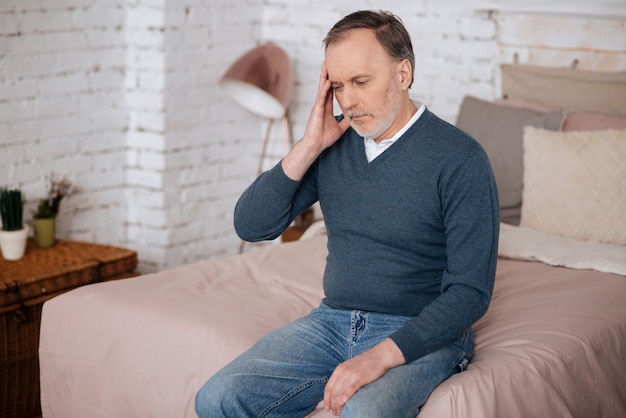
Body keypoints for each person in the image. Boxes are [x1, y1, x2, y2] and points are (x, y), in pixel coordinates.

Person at [195, 9, 499, 418]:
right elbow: (251, 226)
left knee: (361, 412)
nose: (348, 101)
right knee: (216, 398)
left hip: (420, 332)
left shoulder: (461, 159)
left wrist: (381, 357)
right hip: (333, 322)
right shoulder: (333, 146)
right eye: (337, 86)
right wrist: (309, 143)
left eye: (360, 82)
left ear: (403, 74)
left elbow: (470, 293)